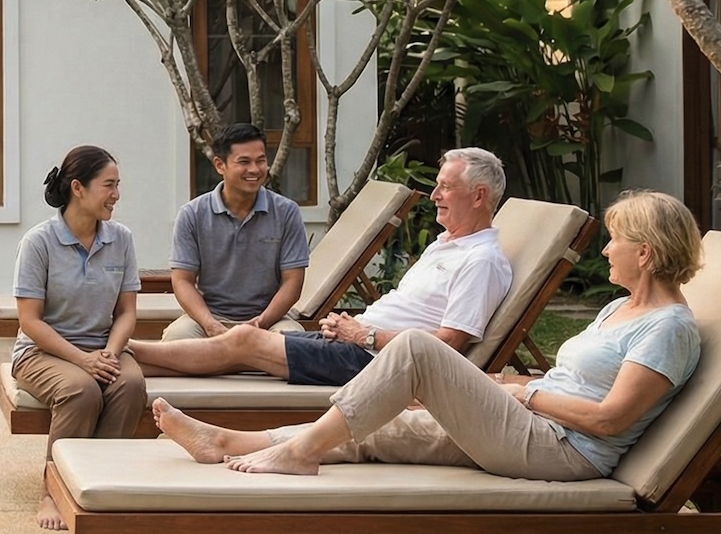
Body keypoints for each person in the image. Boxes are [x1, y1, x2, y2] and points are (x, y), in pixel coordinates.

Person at [154, 190, 704, 480]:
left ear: (646, 252)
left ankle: (295, 453)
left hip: (563, 450)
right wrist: (488, 386)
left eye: (614, 241)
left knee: (416, 346)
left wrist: (523, 392)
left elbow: (611, 419)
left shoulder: (668, 328)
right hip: (528, 424)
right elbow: (567, 383)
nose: (605, 250)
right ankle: (224, 443)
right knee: (374, 430)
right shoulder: (617, 308)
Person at [129, 147, 512, 387]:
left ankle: (124, 350)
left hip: (375, 361)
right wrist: (351, 328)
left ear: (478, 196)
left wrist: (362, 335)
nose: (434, 195)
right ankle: (127, 364)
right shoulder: (447, 245)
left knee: (244, 343)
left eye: (445, 187)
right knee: (237, 348)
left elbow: (448, 346)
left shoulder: (481, 261)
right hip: (359, 344)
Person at [12, 145, 147, 530]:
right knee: (81, 390)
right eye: (109, 185)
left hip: (103, 347)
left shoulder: (121, 239)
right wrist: (82, 360)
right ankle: (53, 492)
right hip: (42, 351)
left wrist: (109, 352)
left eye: (118, 185)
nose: (116, 195)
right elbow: (30, 321)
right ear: (78, 188)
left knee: (130, 384)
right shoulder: (38, 243)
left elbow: (126, 312)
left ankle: (102, 483)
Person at [163, 123, 311, 340]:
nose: (254, 169)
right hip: (209, 318)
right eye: (244, 162)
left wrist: (261, 323)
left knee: (294, 343)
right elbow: (182, 280)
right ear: (219, 165)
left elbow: (293, 281)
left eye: (260, 161)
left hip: (271, 319)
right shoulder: (192, 214)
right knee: (174, 340)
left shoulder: (286, 212)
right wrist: (210, 324)